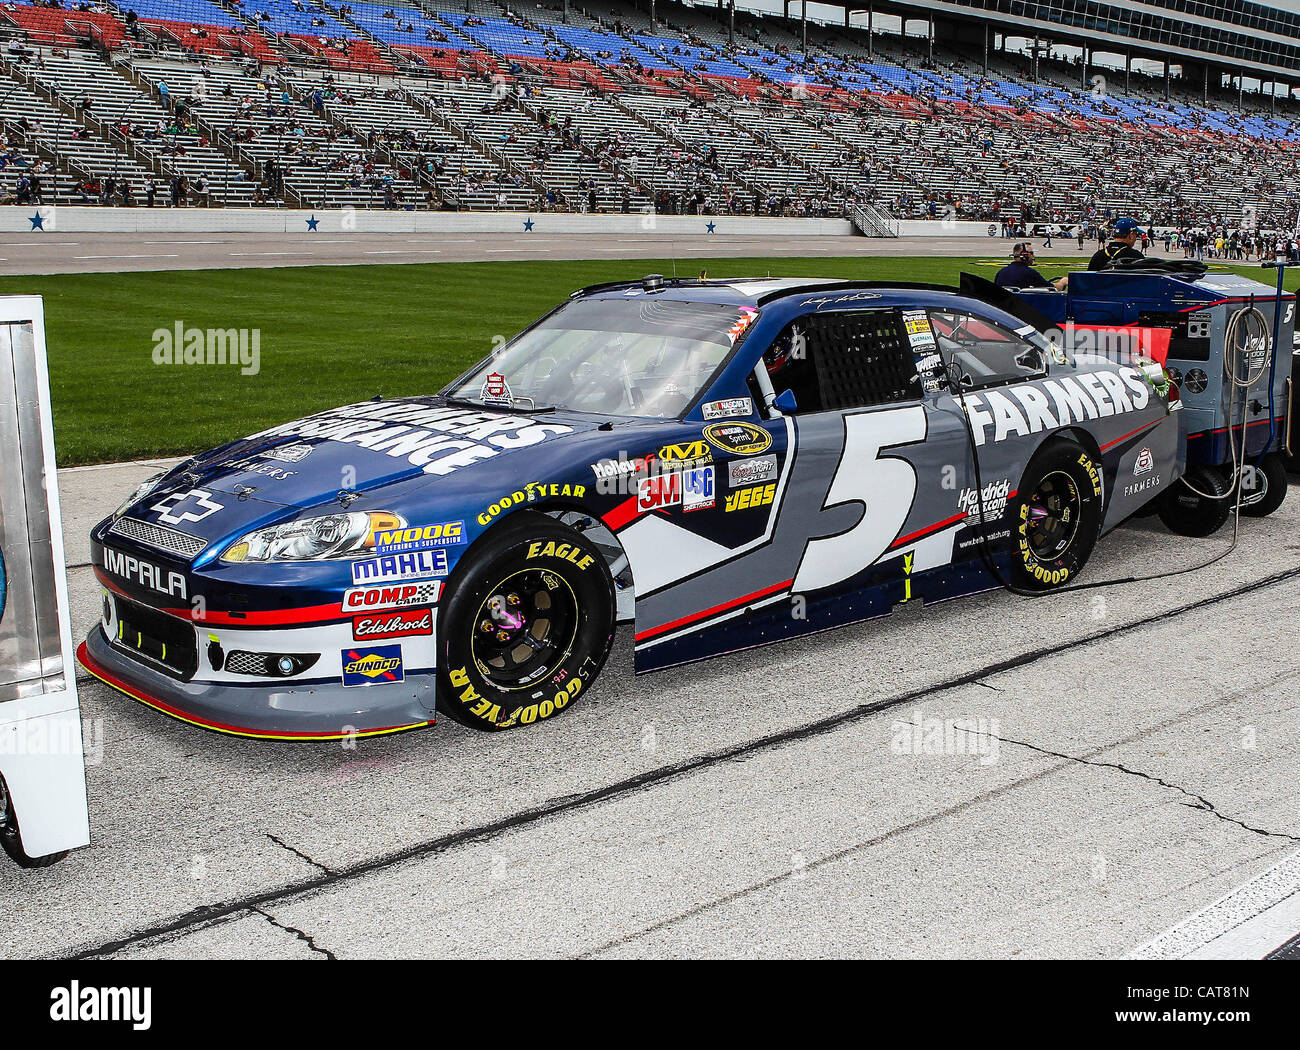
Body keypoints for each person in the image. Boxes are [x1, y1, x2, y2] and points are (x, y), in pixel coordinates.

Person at [995, 243, 1067, 291]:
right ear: (1024, 255)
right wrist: (1062, 282)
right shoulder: (1029, 273)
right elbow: (1052, 288)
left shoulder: (1001, 272)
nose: (1033, 256)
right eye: (1031, 253)